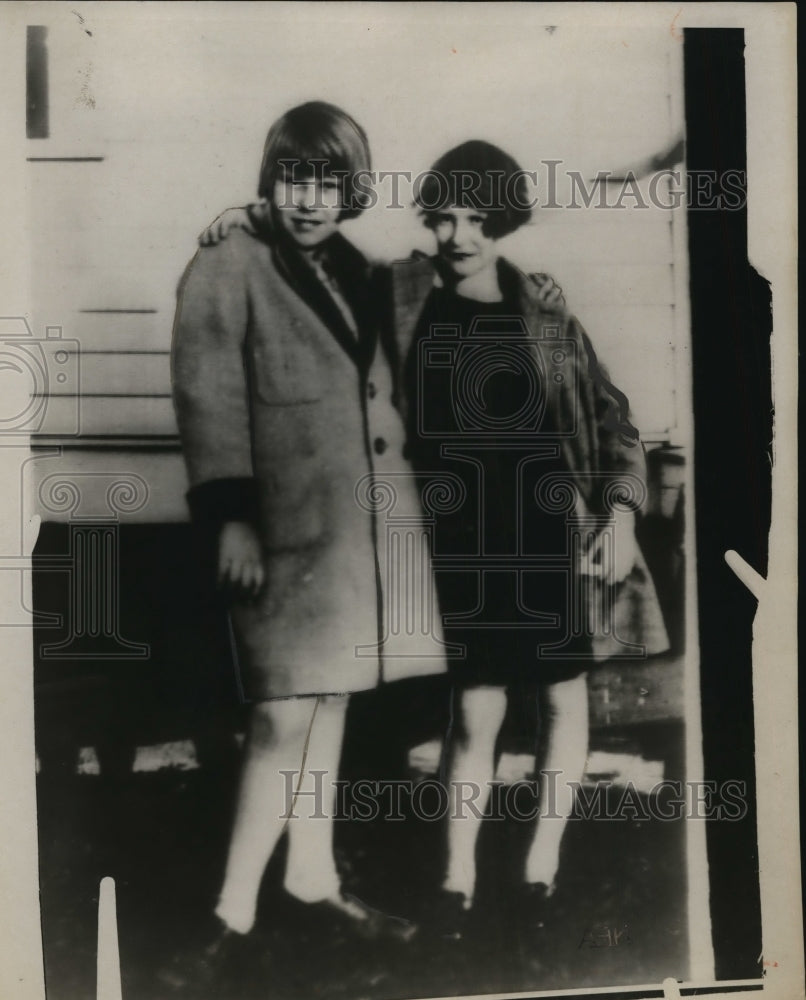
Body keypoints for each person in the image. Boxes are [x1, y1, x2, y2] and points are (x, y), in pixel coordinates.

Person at [167, 101, 447, 991]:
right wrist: (231, 516)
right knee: (283, 716)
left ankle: (313, 879)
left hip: (357, 534)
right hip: (281, 533)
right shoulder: (227, 262)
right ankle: (232, 914)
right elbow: (206, 394)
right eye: (293, 180)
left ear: (352, 191)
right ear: (269, 182)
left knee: (327, 711)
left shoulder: (361, 272)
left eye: (329, 183)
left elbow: (454, 271)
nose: (309, 199)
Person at [386, 139, 668, 932]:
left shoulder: (545, 314)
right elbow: (315, 261)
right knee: (474, 714)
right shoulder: (402, 296)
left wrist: (618, 513)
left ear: (503, 222)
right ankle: (456, 882)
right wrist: (248, 215)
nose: (458, 236)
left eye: (478, 218)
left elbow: (616, 426)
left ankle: (541, 869)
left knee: (560, 701)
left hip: (552, 536)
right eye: (444, 217)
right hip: (460, 538)